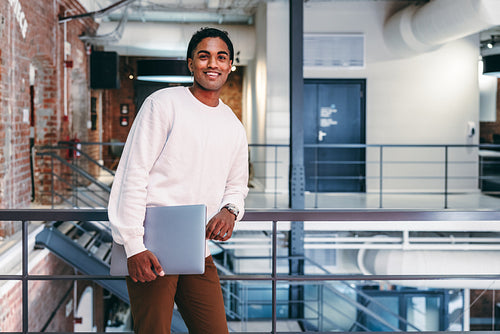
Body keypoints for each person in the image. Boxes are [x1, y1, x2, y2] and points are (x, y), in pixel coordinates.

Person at [108, 27, 249, 334]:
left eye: (221, 57)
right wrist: (133, 245)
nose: (212, 63)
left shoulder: (234, 126)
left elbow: (237, 185)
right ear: (190, 63)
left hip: (199, 250)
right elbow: (134, 172)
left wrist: (230, 209)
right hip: (152, 246)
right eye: (204, 56)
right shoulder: (164, 103)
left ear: (229, 65)